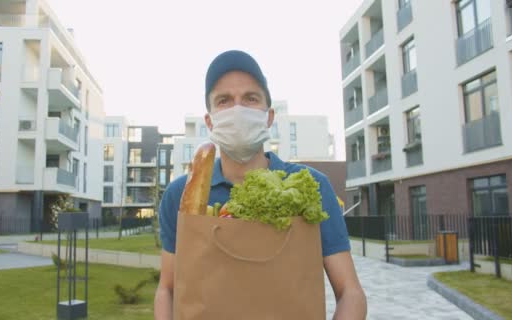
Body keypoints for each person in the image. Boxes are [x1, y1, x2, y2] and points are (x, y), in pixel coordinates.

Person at [154, 50, 367, 319]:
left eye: (250, 98)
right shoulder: (180, 195)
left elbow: (350, 292)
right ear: (209, 121)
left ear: (269, 116)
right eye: (224, 100)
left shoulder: (311, 186)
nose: (238, 109)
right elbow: (167, 290)